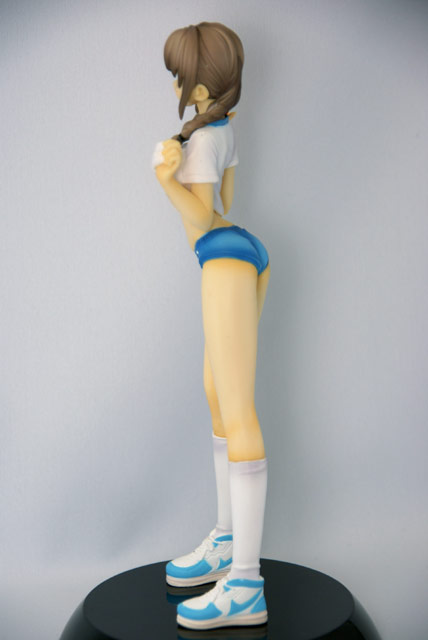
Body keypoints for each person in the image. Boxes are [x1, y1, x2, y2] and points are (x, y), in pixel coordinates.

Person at [153, 22, 270, 630]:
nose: (175, 83)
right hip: (238, 248)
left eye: (178, 75)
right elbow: (229, 197)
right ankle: (228, 541)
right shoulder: (223, 129)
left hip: (221, 256)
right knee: (218, 398)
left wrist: (165, 181)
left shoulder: (200, 139)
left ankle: (246, 585)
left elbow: (202, 218)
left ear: (199, 84)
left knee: (237, 408)